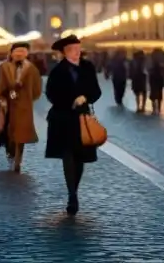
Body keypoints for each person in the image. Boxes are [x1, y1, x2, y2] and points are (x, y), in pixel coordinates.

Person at [45, 34, 102, 215]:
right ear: (64, 52)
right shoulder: (57, 71)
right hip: (63, 119)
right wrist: (71, 101)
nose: (77, 53)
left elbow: (96, 90)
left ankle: (74, 190)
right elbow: (51, 94)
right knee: (68, 156)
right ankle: (72, 195)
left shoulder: (87, 67)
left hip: (83, 119)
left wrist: (85, 97)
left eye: (78, 49)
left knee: (80, 158)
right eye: (72, 50)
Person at [0, 41, 42, 172]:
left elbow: (37, 89)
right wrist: (3, 98)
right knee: (9, 132)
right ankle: (10, 152)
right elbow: (0, 85)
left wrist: (27, 99)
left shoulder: (32, 69)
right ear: (11, 53)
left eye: (22, 52)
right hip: (8, 105)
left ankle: (18, 159)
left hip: (24, 107)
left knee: (21, 135)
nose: (19, 54)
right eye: (17, 52)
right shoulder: (4, 67)